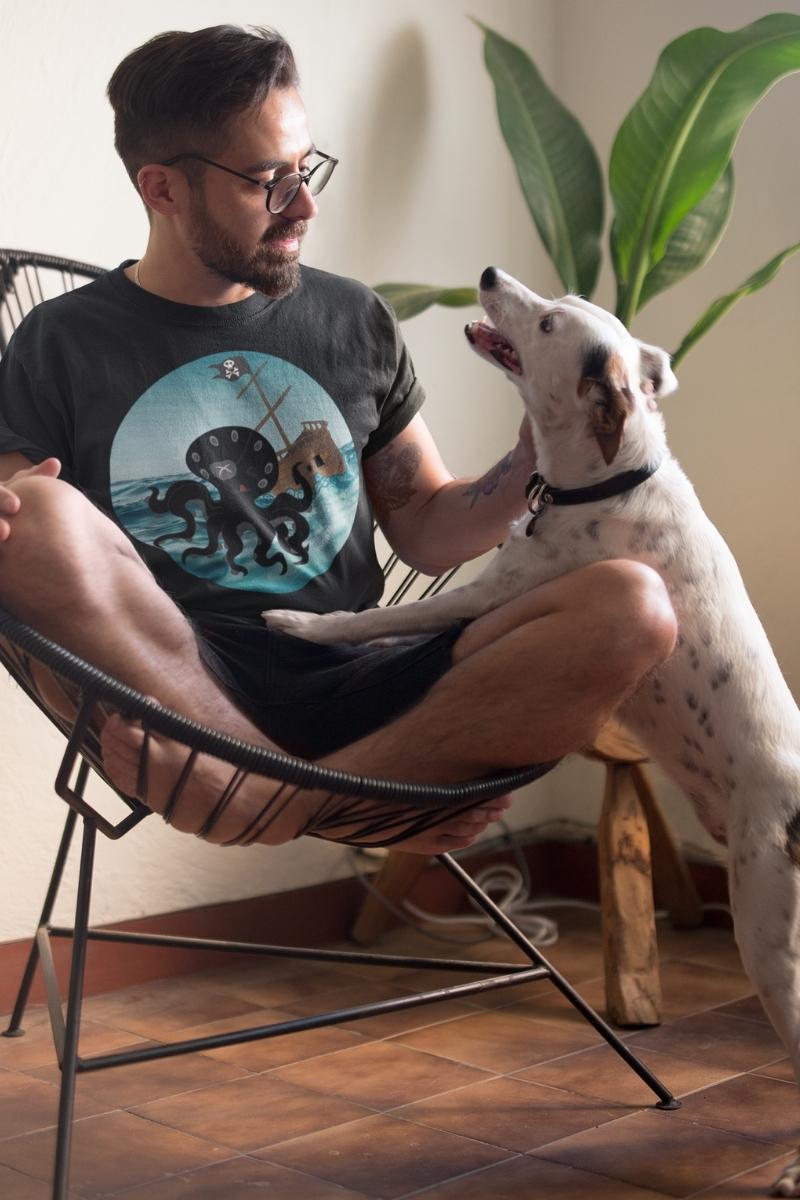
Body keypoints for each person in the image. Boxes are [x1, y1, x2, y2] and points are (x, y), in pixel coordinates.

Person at [0, 25, 676, 855]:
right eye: (268, 182)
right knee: (28, 513)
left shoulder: (352, 318)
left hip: (366, 670)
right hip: (181, 685)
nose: (306, 204)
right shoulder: (61, 341)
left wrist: (531, 456)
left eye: (307, 168)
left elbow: (428, 529)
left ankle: (275, 797)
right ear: (162, 189)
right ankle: (332, 784)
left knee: (635, 607)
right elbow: (24, 550)